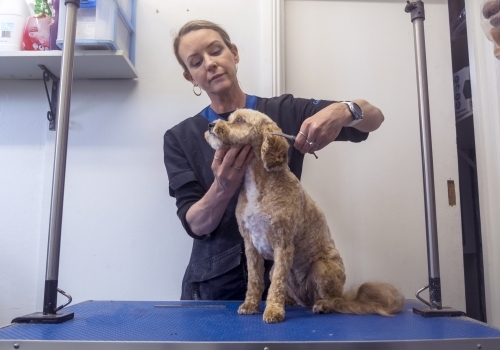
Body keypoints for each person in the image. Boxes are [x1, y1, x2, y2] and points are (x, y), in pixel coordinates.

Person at [163, 20, 384, 301]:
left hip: (289, 282)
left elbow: (374, 118)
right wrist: (222, 187)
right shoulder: (180, 137)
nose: (210, 63)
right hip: (213, 288)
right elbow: (195, 224)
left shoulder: (285, 112)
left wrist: (344, 110)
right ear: (190, 77)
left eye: (216, 51)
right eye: (196, 62)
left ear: (234, 53)